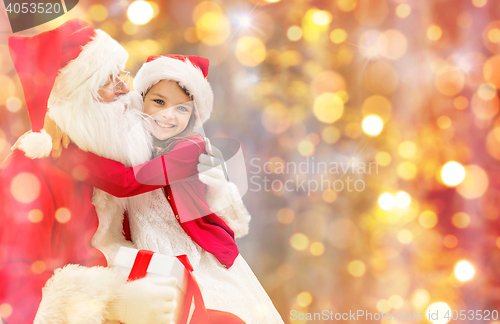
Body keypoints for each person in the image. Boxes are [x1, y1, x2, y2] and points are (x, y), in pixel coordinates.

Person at [0, 19, 236, 324]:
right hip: (84, 284)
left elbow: (126, 182)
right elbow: (13, 279)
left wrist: (63, 139)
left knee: (185, 287)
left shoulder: (128, 143)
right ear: (80, 95)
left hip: (175, 253)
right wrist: (109, 305)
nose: (127, 89)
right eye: (110, 80)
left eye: (122, 74)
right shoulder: (32, 166)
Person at [48, 54, 284, 323]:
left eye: (182, 109)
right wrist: (65, 127)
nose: (167, 115)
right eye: (158, 102)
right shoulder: (132, 142)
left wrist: (66, 153)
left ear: (193, 116)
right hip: (145, 253)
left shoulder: (190, 149)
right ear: (141, 100)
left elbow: (127, 182)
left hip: (192, 255)